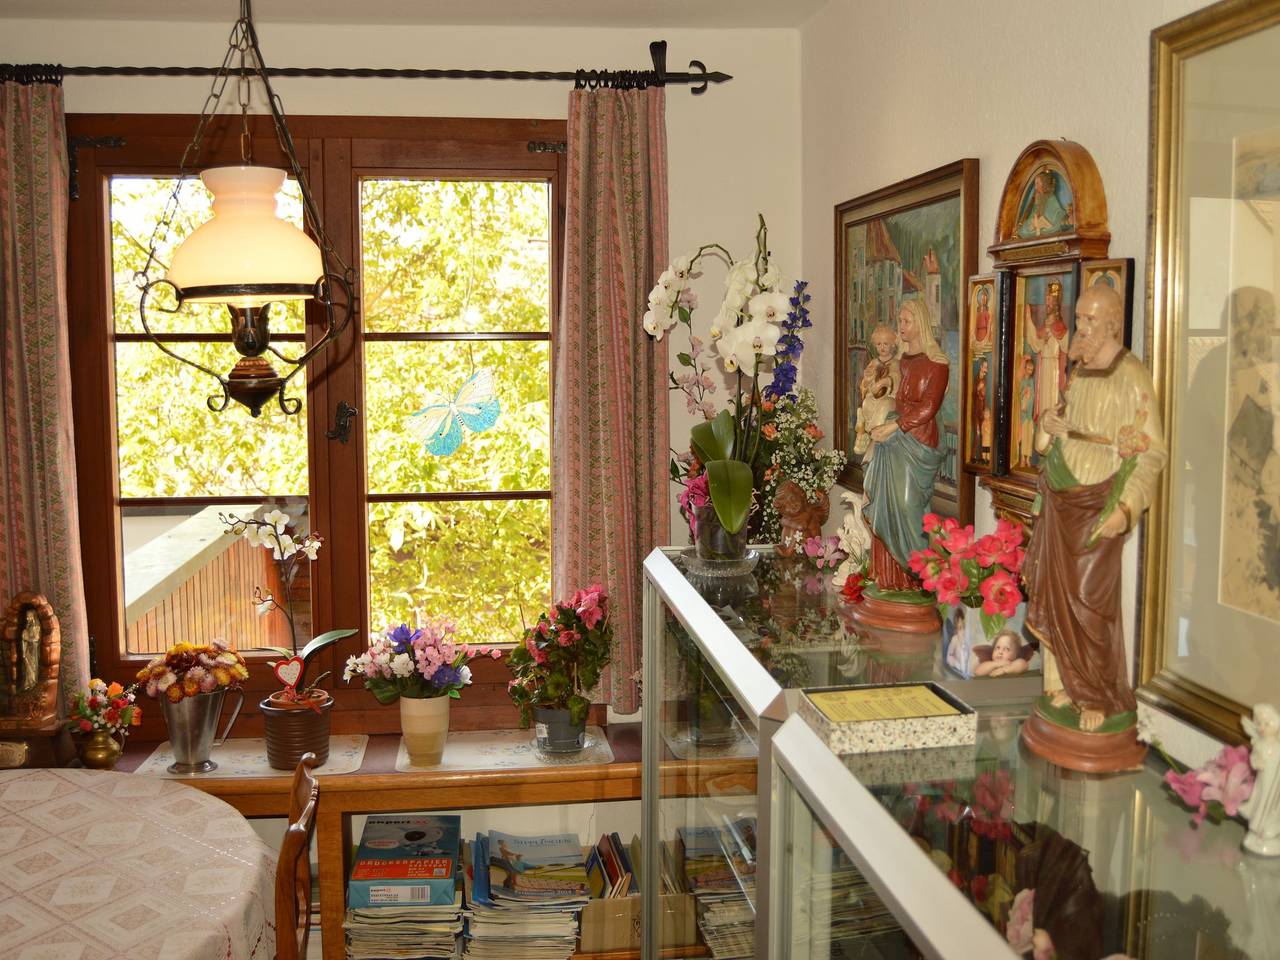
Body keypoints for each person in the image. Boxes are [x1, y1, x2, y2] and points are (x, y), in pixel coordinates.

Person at [1022, 283, 1166, 732]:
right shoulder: (1079, 371)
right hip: (1061, 494)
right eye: (1079, 318)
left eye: (1089, 320)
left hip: (1099, 501)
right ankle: (1064, 685)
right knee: (1056, 595)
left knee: (1090, 604)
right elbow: (1057, 430)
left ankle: (1099, 693)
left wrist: (1126, 506)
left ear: (1112, 324)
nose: (1080, 327)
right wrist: (1048, 422)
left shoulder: (1132, 376)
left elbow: (1152, 452)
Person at [863, 298, 949, 590]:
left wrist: (894, 426)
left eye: (906, 321)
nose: (901, 326)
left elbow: (929, 407)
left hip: (918, 438)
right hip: (894, 434)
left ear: (920, 323)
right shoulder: (901, 361)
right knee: (884, 500)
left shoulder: (938, 363)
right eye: (900, 320)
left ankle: (920, 576)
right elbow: (890, 392)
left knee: (908, 504)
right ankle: (892, 578)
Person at [1025, 279, 1070, 430]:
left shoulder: (1059, 324)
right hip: (1044, 366)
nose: (1047, 302)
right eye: (1046, 298)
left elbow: (1066, 343)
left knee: (1052, 399)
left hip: (1054, 368)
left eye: (1050, 299)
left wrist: (1057, 334)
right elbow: (1036, 343)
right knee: (1043, 399)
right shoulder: (1046, 323)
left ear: (1056, 302)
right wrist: (1028, 319)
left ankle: (1051, 428)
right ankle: (1043, 428)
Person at [853, 323, 901, 458]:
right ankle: (864, 431)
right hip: (873, 397)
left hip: (889, 398)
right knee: (866, 403)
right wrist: (868, 378)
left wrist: (886, 381)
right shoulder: (874, 363)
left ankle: (876, 433)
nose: (882, 347)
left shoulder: (896, 363)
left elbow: (897, 378)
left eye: (886, 344)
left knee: (885, 405)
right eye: (879, 344)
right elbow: (865, 384)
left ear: (892, 345)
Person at [1242, 703, 1280, 855]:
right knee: (1260, 802)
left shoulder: (1278, 746)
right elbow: (1253, 757)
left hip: (1275, 784)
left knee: (1272, 806)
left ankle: (1268, 830)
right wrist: (1256, 762)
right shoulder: (1260, 744)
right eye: (1258, 723)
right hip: (1263, 782)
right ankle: (1257, 828)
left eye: (1267, 723)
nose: (1262, 728)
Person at [1017, 356, 1036, 467]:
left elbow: (1033, 396)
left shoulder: (1031, 381)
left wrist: (1029, 395)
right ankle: (1022, 458)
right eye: (1028, 369)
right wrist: (1025, 392)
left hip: (1029, 413)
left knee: (1029, 436)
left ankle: (1028, 458)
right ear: (1025, 369)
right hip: (1023, 414)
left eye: (1031, 369)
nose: (1030, 371)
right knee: (1023, 436)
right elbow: (1019, 395)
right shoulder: (1023, 381)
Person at [972, 356, 989, 463]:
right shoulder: (976, 379)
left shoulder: (984, 380)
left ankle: (983, 457)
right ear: (981, 367)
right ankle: (973, 456)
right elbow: (973, 393)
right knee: (977, 433)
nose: (986, 369)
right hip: (975, 409)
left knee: (985, 435)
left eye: (987, 367)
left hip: (981, 409)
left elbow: (984, 395)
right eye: (985, 367)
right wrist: (978, 388)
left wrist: (985, 409)